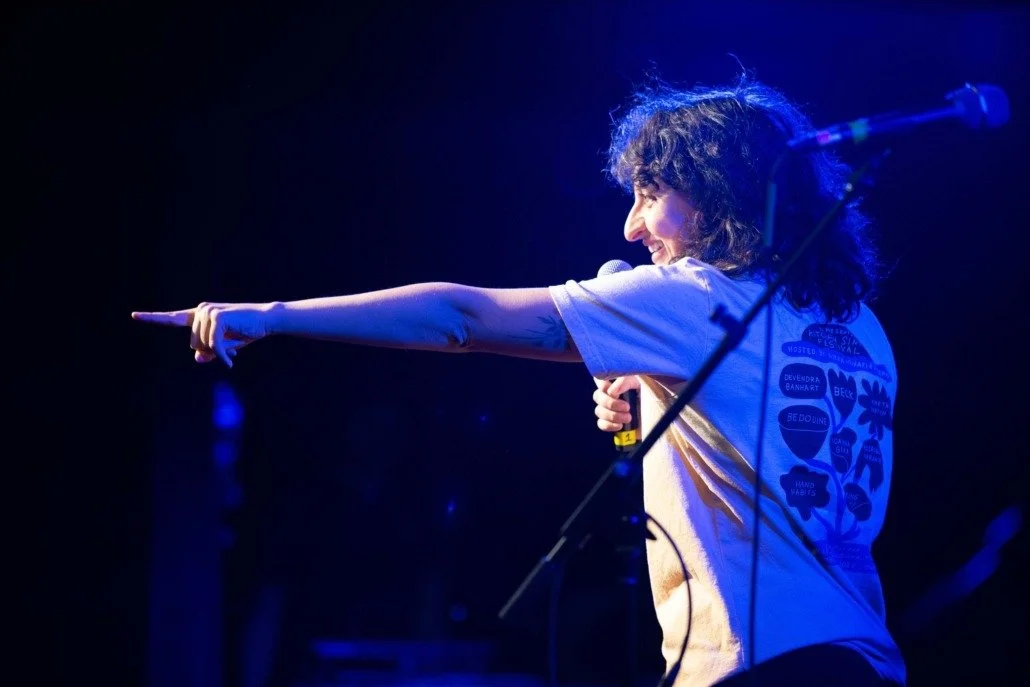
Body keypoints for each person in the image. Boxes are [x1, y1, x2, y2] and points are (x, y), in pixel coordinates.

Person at [133, 73, 905, 686]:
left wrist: (270, 315)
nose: (632, 226)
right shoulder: (862, 329)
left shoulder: (695, 296)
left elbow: (461, 317)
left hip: (762, 658)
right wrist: (659, 401)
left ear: (715, 192)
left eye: (650, 194)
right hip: (860, 654)